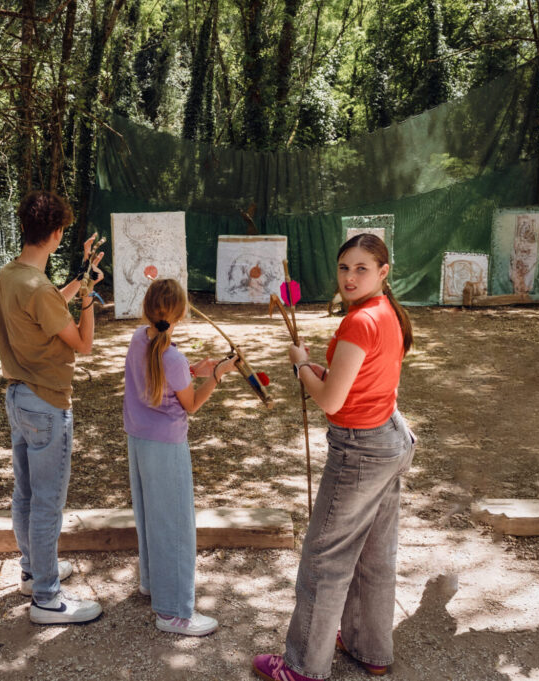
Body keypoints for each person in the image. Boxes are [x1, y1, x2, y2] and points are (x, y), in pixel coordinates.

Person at [253, 233, 416, 680]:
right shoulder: (386, 312)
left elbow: (329, 399)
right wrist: (319, 369)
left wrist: (301, 364)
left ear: (383, 272)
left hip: (361, 449)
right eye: (345, 267)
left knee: (324, 558)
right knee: (373, 555)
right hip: (388, 438)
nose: (350, 276)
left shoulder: (360, 321)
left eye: (362, 268)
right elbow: (359, 381)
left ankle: (304, 666)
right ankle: (370, 647)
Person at [0, 190, 105, 624]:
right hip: (45, 403)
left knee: (25, 495)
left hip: (19, 398)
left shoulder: (12, 275)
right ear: (56, 234)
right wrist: (88, 296)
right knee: (45, 504)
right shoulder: (36, 288)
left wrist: (79, 276)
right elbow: (83, 343)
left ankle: (32, 571)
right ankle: (47, 597)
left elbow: (45, 306)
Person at [123, 278, 238, 636]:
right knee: (174, 524)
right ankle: (173, 612)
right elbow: (190, 405)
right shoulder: (171, 356)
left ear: (147, 309)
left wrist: (192, 371)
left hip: (138, 441)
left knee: (149, 514)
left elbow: (160, 379)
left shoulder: (140, 338)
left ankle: (153, 583)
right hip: (166, 446)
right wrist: (217, 376)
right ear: (181, 314)